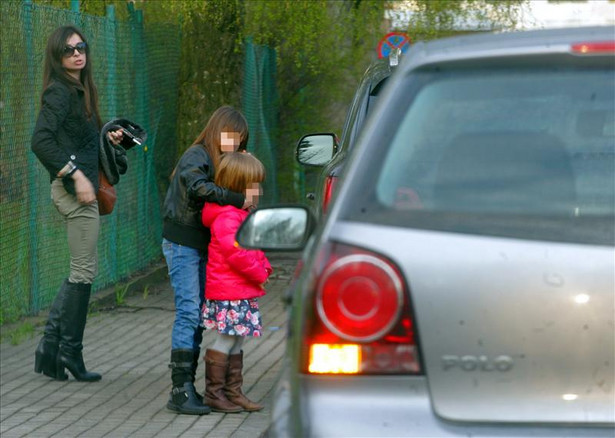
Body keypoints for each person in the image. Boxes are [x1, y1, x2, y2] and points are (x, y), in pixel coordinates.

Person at [31, 25, 125, 382]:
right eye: (68, 50)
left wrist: (111, 136)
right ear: (57, 57)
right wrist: (76, 175)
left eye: (81, 47)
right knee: (83, 271)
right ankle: (69, 351)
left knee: (80, 270)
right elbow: (40, 140)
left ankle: (51, 349)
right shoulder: (59, 92)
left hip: (81, 190)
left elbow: (87, 141)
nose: (77, 54)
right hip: (72, 192)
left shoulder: (81, 91)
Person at [162, 106, 252, 415]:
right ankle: (180, 388)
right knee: (189, 312)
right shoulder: (197, 155)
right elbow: (198, 187)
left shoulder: (221, 160)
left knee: (200, 313)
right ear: (217, 130)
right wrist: (238, 198)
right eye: (231, 136)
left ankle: (196, 387)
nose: (235, 144)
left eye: (240, 140)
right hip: (182, 244)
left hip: (201, 247)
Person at [200, 152, 271, 413]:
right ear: (240, 186)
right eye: (254, 186)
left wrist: (263, 265)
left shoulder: (240, 214)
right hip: (229, 291)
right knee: (227, 339)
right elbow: (237, 254)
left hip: (238, 290)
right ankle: (214, 393)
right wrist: (259, 272)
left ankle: (232, 392)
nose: (259, 191)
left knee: (237, 339)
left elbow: (253, 247)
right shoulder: (228, 217)